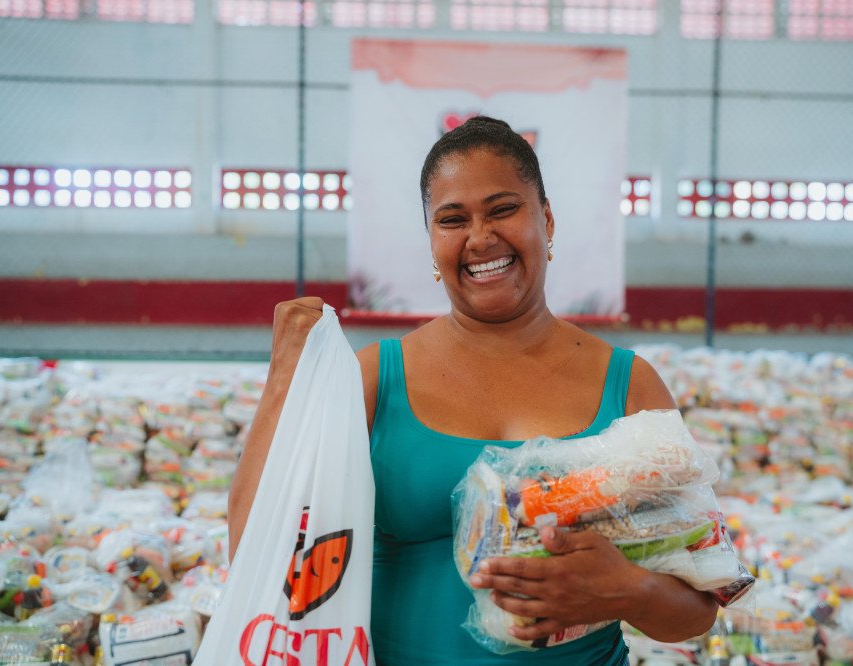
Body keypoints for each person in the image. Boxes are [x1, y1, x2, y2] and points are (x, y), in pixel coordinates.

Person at [228, 116, 718, 664]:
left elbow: (698, 609)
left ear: (546, 220)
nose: (480, 237)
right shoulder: (375, 378)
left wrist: (627, 588)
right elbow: (256, 552)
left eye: (503, 209)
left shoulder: (628, 385)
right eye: (452, 219)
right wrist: (283, 385)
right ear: (432, 242)